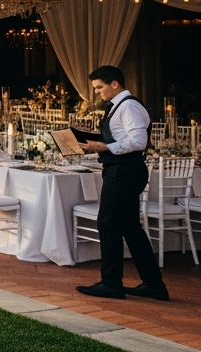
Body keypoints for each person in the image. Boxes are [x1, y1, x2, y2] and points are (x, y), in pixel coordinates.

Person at [75, 65, 169, 301]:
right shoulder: (119, 106)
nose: (97, 92)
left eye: (99, 87)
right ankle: (153, 285)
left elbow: (138, 141)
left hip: (125, 171)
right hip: (123, 170)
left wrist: (104, 147)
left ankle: (111, 284)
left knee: (107, 224)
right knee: (130, 227)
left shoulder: (128, 106)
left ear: (114, 84)